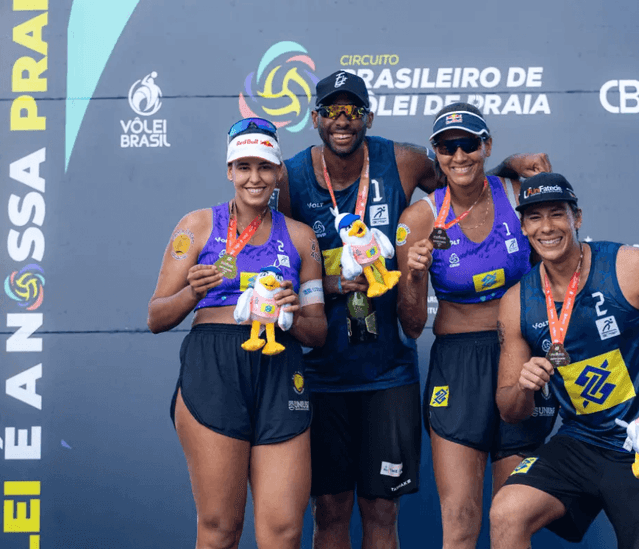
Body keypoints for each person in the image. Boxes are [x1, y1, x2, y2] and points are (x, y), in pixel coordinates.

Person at [272, 70, 552, 549]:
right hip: (322, 371)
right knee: (330, 511)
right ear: (315, 117)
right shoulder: (290, 177)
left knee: (384, 513)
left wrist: (507, 167)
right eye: (332, 111)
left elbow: (461, 177)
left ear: (369, 116)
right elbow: (276, 255)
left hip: (389, 372)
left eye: (353, 110)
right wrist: (335, 285)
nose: (343, 120)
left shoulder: (402, 161)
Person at [490, 173, 639, 549]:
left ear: (578, 218)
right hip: (580, 442)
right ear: (523, 226)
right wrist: (524, 386)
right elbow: (510, 410)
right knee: (506, 513)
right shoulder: (516, 301)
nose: (547, 227)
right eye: (535, 218)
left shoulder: (631, 266)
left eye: (557, 214)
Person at [147, 118, 327, 549]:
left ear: (279, 172)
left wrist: (295, 312)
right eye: (243, 167)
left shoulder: (302, 238)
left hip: (279, 369)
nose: (254, 177)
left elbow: (318, 332)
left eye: (264, 167)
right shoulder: (196, 226)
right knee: (220, 528)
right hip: (215, 366)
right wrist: (193, 291)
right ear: (229, 171)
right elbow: (156, 317)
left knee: (284, 530)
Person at [395, 103, 557, 549]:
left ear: (486, 146)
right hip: (457, 364)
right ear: (436, 153)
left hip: (518, 355)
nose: (459, 155)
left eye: (469, 143)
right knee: (461, 521)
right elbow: (410, 326)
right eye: (448, 147)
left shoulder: (516, 192)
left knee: (511, 517)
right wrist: (414, 275)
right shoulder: (419, 219)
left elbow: (562, 255)